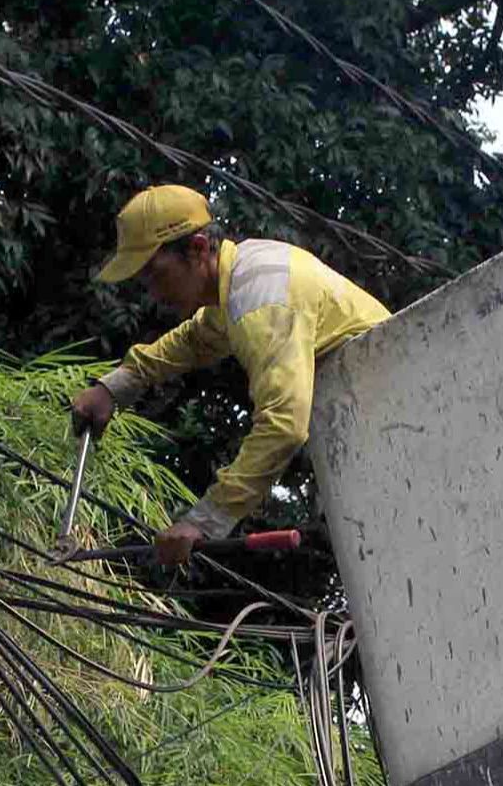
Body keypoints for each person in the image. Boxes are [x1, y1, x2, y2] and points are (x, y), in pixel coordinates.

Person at [72, 184, 390, 565]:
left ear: (198, 249)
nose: (153, 293)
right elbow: (194, 339)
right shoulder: (241, 276)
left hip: (393, 419)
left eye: (156, 275)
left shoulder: (260, 299)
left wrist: (204, 521)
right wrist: (117, 386)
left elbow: (284, 425)